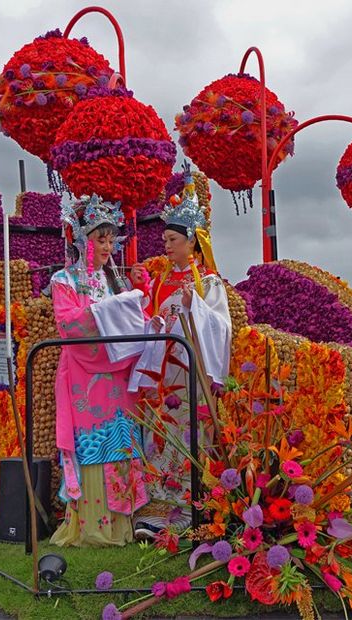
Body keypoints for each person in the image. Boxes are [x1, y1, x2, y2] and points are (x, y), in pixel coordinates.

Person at [128, 170, 232, 537]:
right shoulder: (160, 281)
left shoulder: (209, 283)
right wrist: (152, 317)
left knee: (189, 438)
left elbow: (221, 327)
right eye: (165, 239)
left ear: (193, 242)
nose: (166, 246)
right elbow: (152, 321)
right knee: (160, 439)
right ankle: (160, 504)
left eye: (172, 239)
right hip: (163, 377)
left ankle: (190, 506)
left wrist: (195, 308)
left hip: (190, 375)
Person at [48, 194, 150, 548]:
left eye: (110, 239)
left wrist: (140, 295)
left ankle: (127, 524)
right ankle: (95, 526)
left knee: (122, 441)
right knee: (94, 444)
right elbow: (67, 325)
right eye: (99, 239)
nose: (107, 246)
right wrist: (106, 310)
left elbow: (132, 320)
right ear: (81, 240)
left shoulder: (115, 281)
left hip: (117, 373)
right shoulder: (64, 280)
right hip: (83, 373)